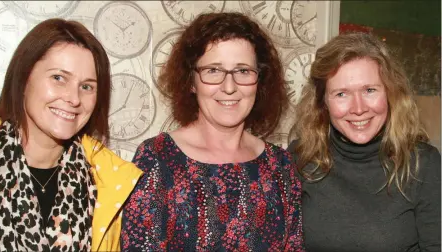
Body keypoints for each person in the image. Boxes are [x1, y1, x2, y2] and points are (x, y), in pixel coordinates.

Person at [121, 12, 304, 251]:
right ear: (191, 81)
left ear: (260, 81)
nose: (229, 87)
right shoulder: (157, 158)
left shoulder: (280, 166)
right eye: (213, 71)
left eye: (243, 71)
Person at [0, 18, 143, 251]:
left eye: (87, 86)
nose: (74, 98)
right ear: (24, 78)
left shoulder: (109, 180)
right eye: (59, 78)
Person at [288, 32, 441, 251]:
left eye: (369, 90)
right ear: (323, 102)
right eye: (342, 94)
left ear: (390, 94)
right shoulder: (299, 159)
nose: (358, 108)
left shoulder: (423, 164)